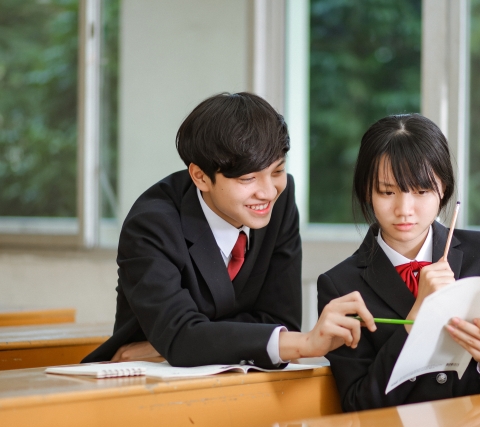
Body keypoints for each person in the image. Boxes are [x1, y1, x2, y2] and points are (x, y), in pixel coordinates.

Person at [83, 92, 374, 367]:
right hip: (136, 383)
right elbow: (183, 335)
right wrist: (304, 344)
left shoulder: (280, 201)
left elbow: (279, 319)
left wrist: (167, 346)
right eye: (248, 179)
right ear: (200, 177)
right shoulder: (152, 224)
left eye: (277, 171)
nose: (268, 191)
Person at [317, 113, 480, 412]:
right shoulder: (340, 286)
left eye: (421, 191)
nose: (404, 209)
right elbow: (358, 403)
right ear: (367, 192)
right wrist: (417, 320)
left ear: (444, 189)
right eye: (387, 192)